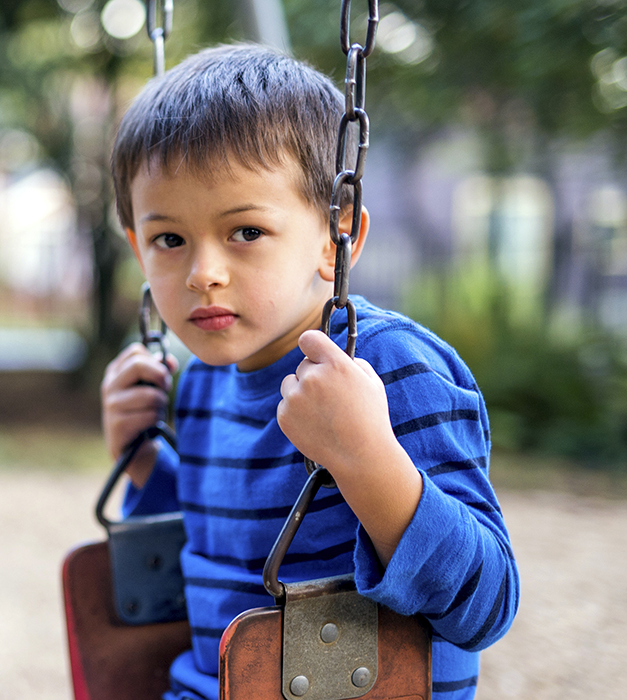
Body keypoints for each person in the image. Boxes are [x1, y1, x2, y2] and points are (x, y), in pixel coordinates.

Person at [99, 44, 518, 700]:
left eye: (244, 232)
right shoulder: (201, 381)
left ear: (337, 237)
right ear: (137, 249)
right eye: (169, 240)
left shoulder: (392, 371)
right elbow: (215, 561)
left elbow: (486, 605)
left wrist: (367, 460)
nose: (203, 271)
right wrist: (148, 465)